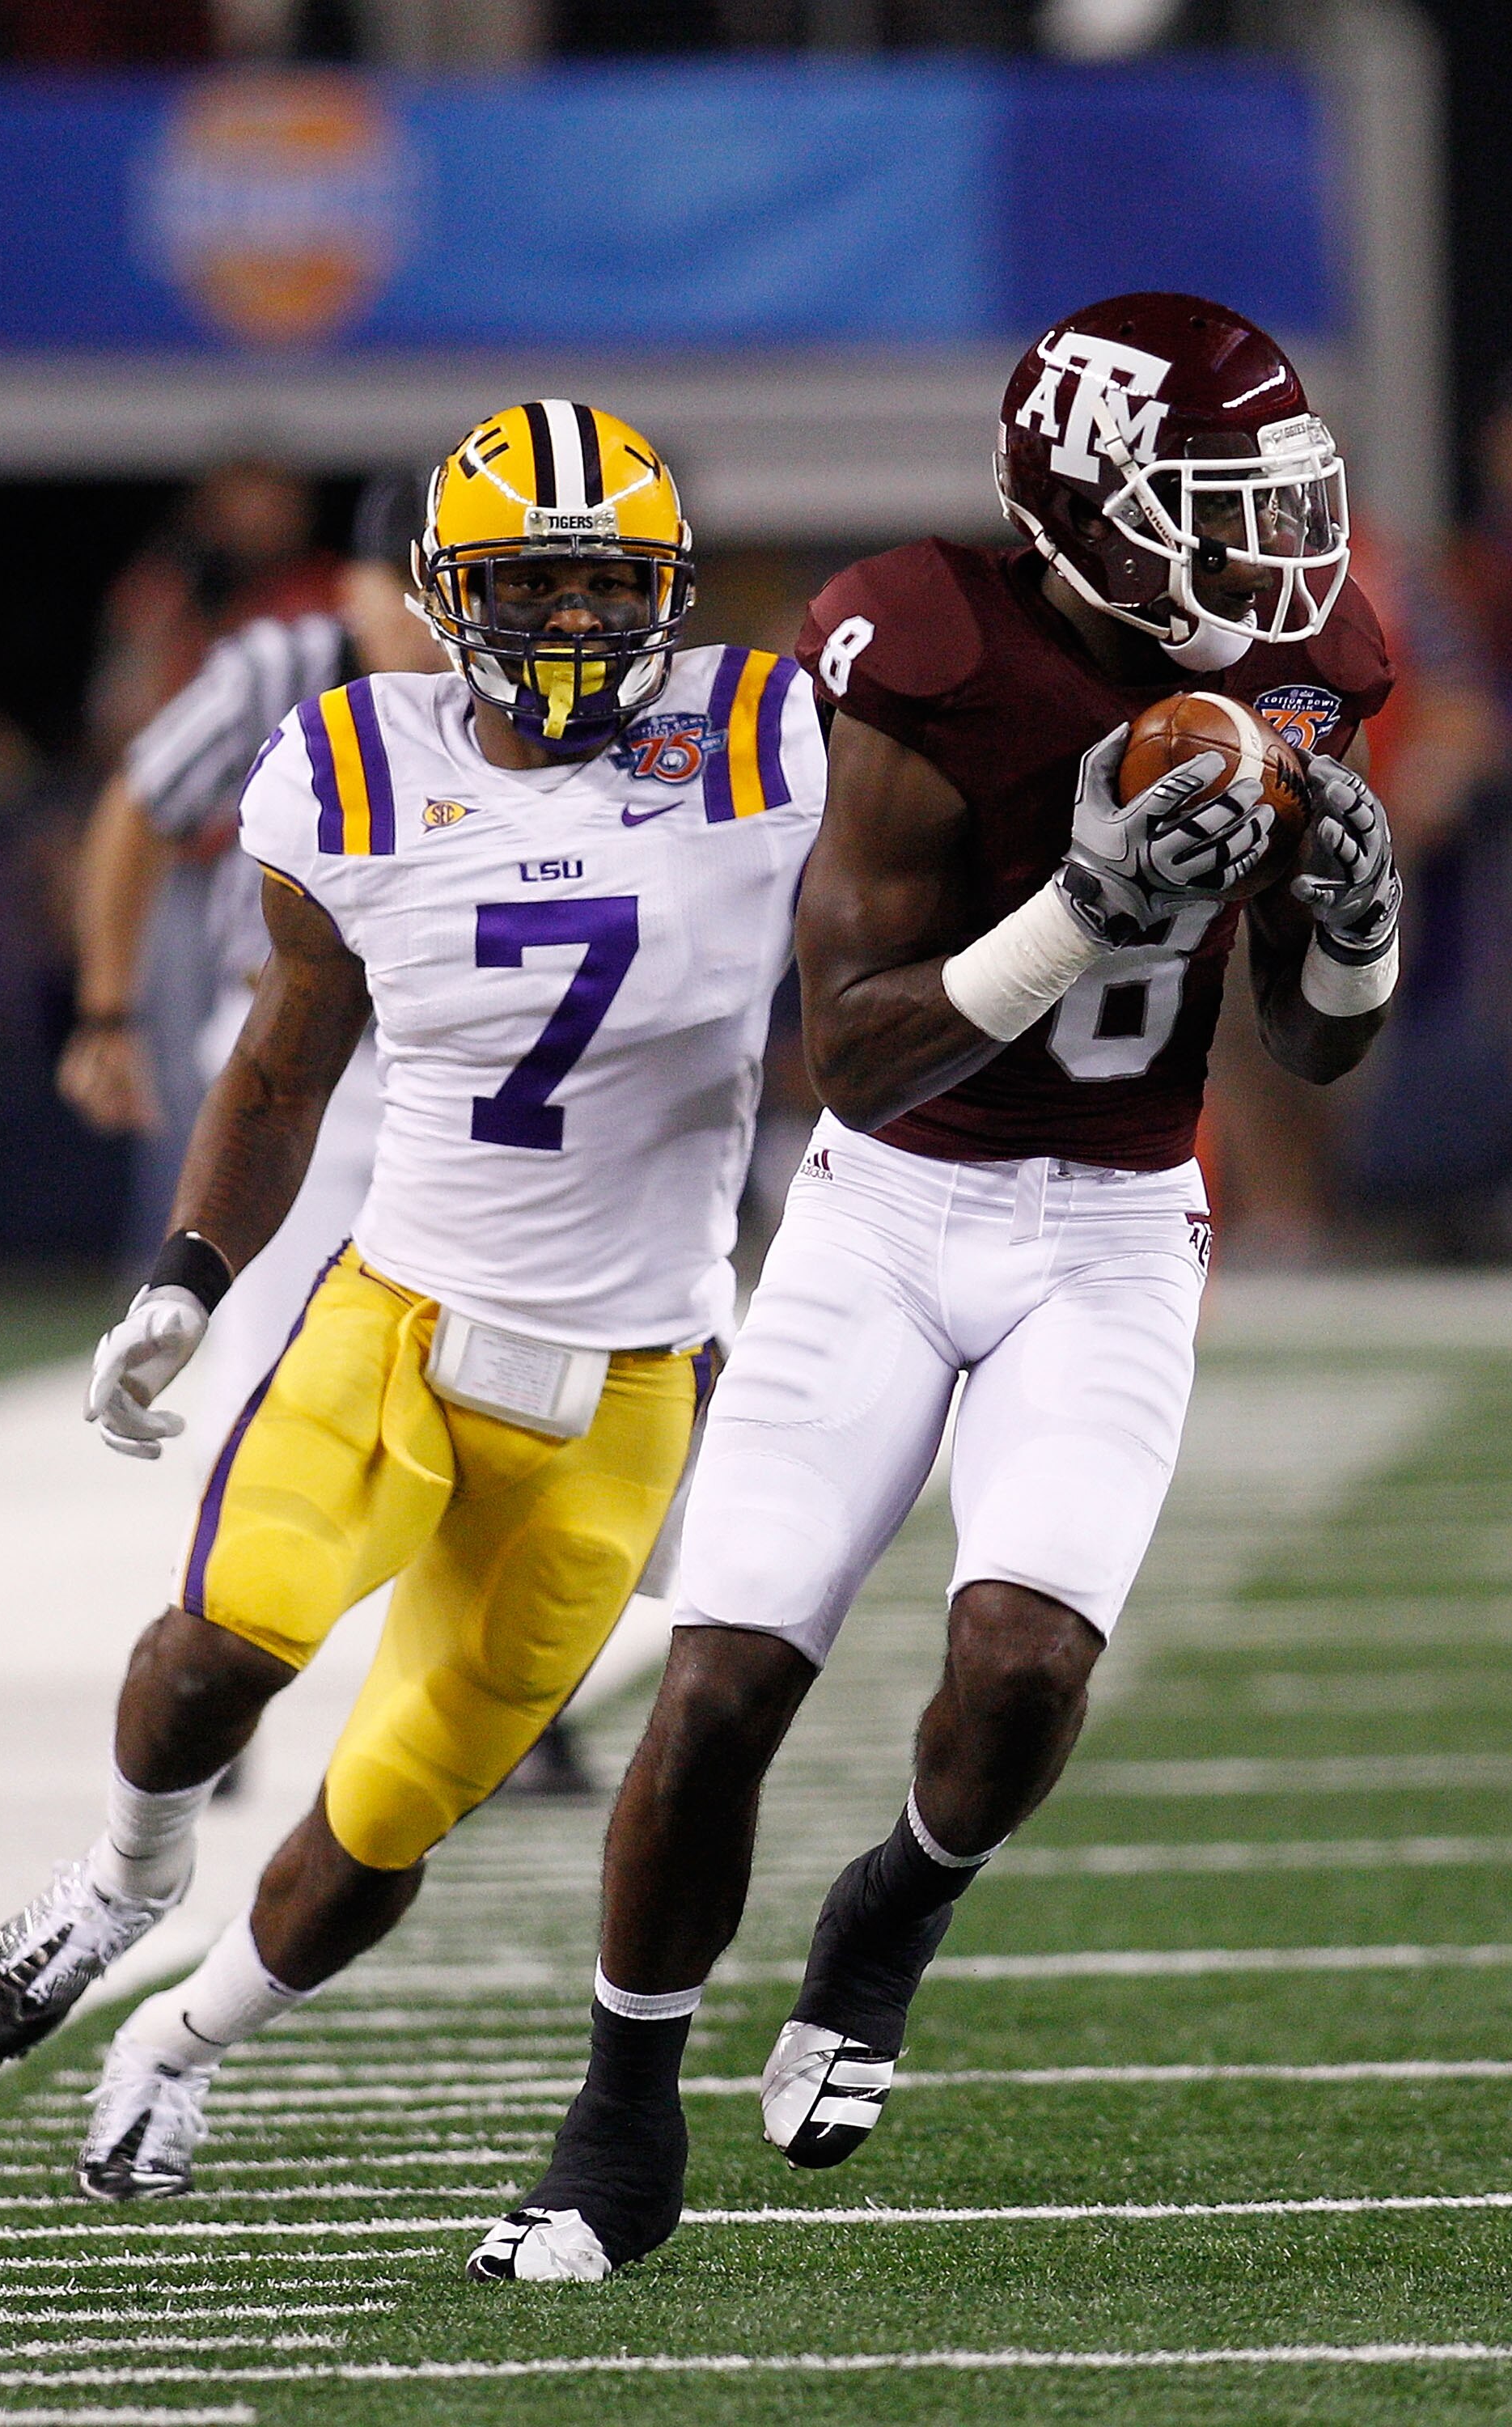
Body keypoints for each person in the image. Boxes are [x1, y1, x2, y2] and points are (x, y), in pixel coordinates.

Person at [468, 293, 1403, 2284]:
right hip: (890, 1200)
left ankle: (892, 1904)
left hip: (1114, 1215)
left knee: (1021, 1665)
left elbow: (1304, 1054)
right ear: (1079, 512)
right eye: (1208, 511)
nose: (1263, 561)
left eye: (1269, 507)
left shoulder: (1311, 665)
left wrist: (1344, 949)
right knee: (720, 1682)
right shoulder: (923, 646)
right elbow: (856, 1051)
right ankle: (616, 2106)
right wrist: (1079, 908)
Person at [0, 401, 826, 2207]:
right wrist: (191, 1277)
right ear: (444, 592)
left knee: (394, 1809)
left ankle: (174, 2044)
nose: (574, 624)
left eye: (608, 586)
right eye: (531, 586)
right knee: (223, 1642)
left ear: (667, 592)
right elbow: (279, 1068)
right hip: (401, 1319)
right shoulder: (349, 758)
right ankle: (122, 1877)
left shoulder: (764, 737)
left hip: (633, 1379)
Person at [57, 472, 439, 1457]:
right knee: (274, 1358)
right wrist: (107, 1012)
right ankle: (242, 1561)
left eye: (434, 590)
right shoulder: (281, 670)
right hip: (290, 1034)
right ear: (347, 588)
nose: (418, 622)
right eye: (393, 589)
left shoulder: (509, 690)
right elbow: (139, 807)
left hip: (452, 1051)